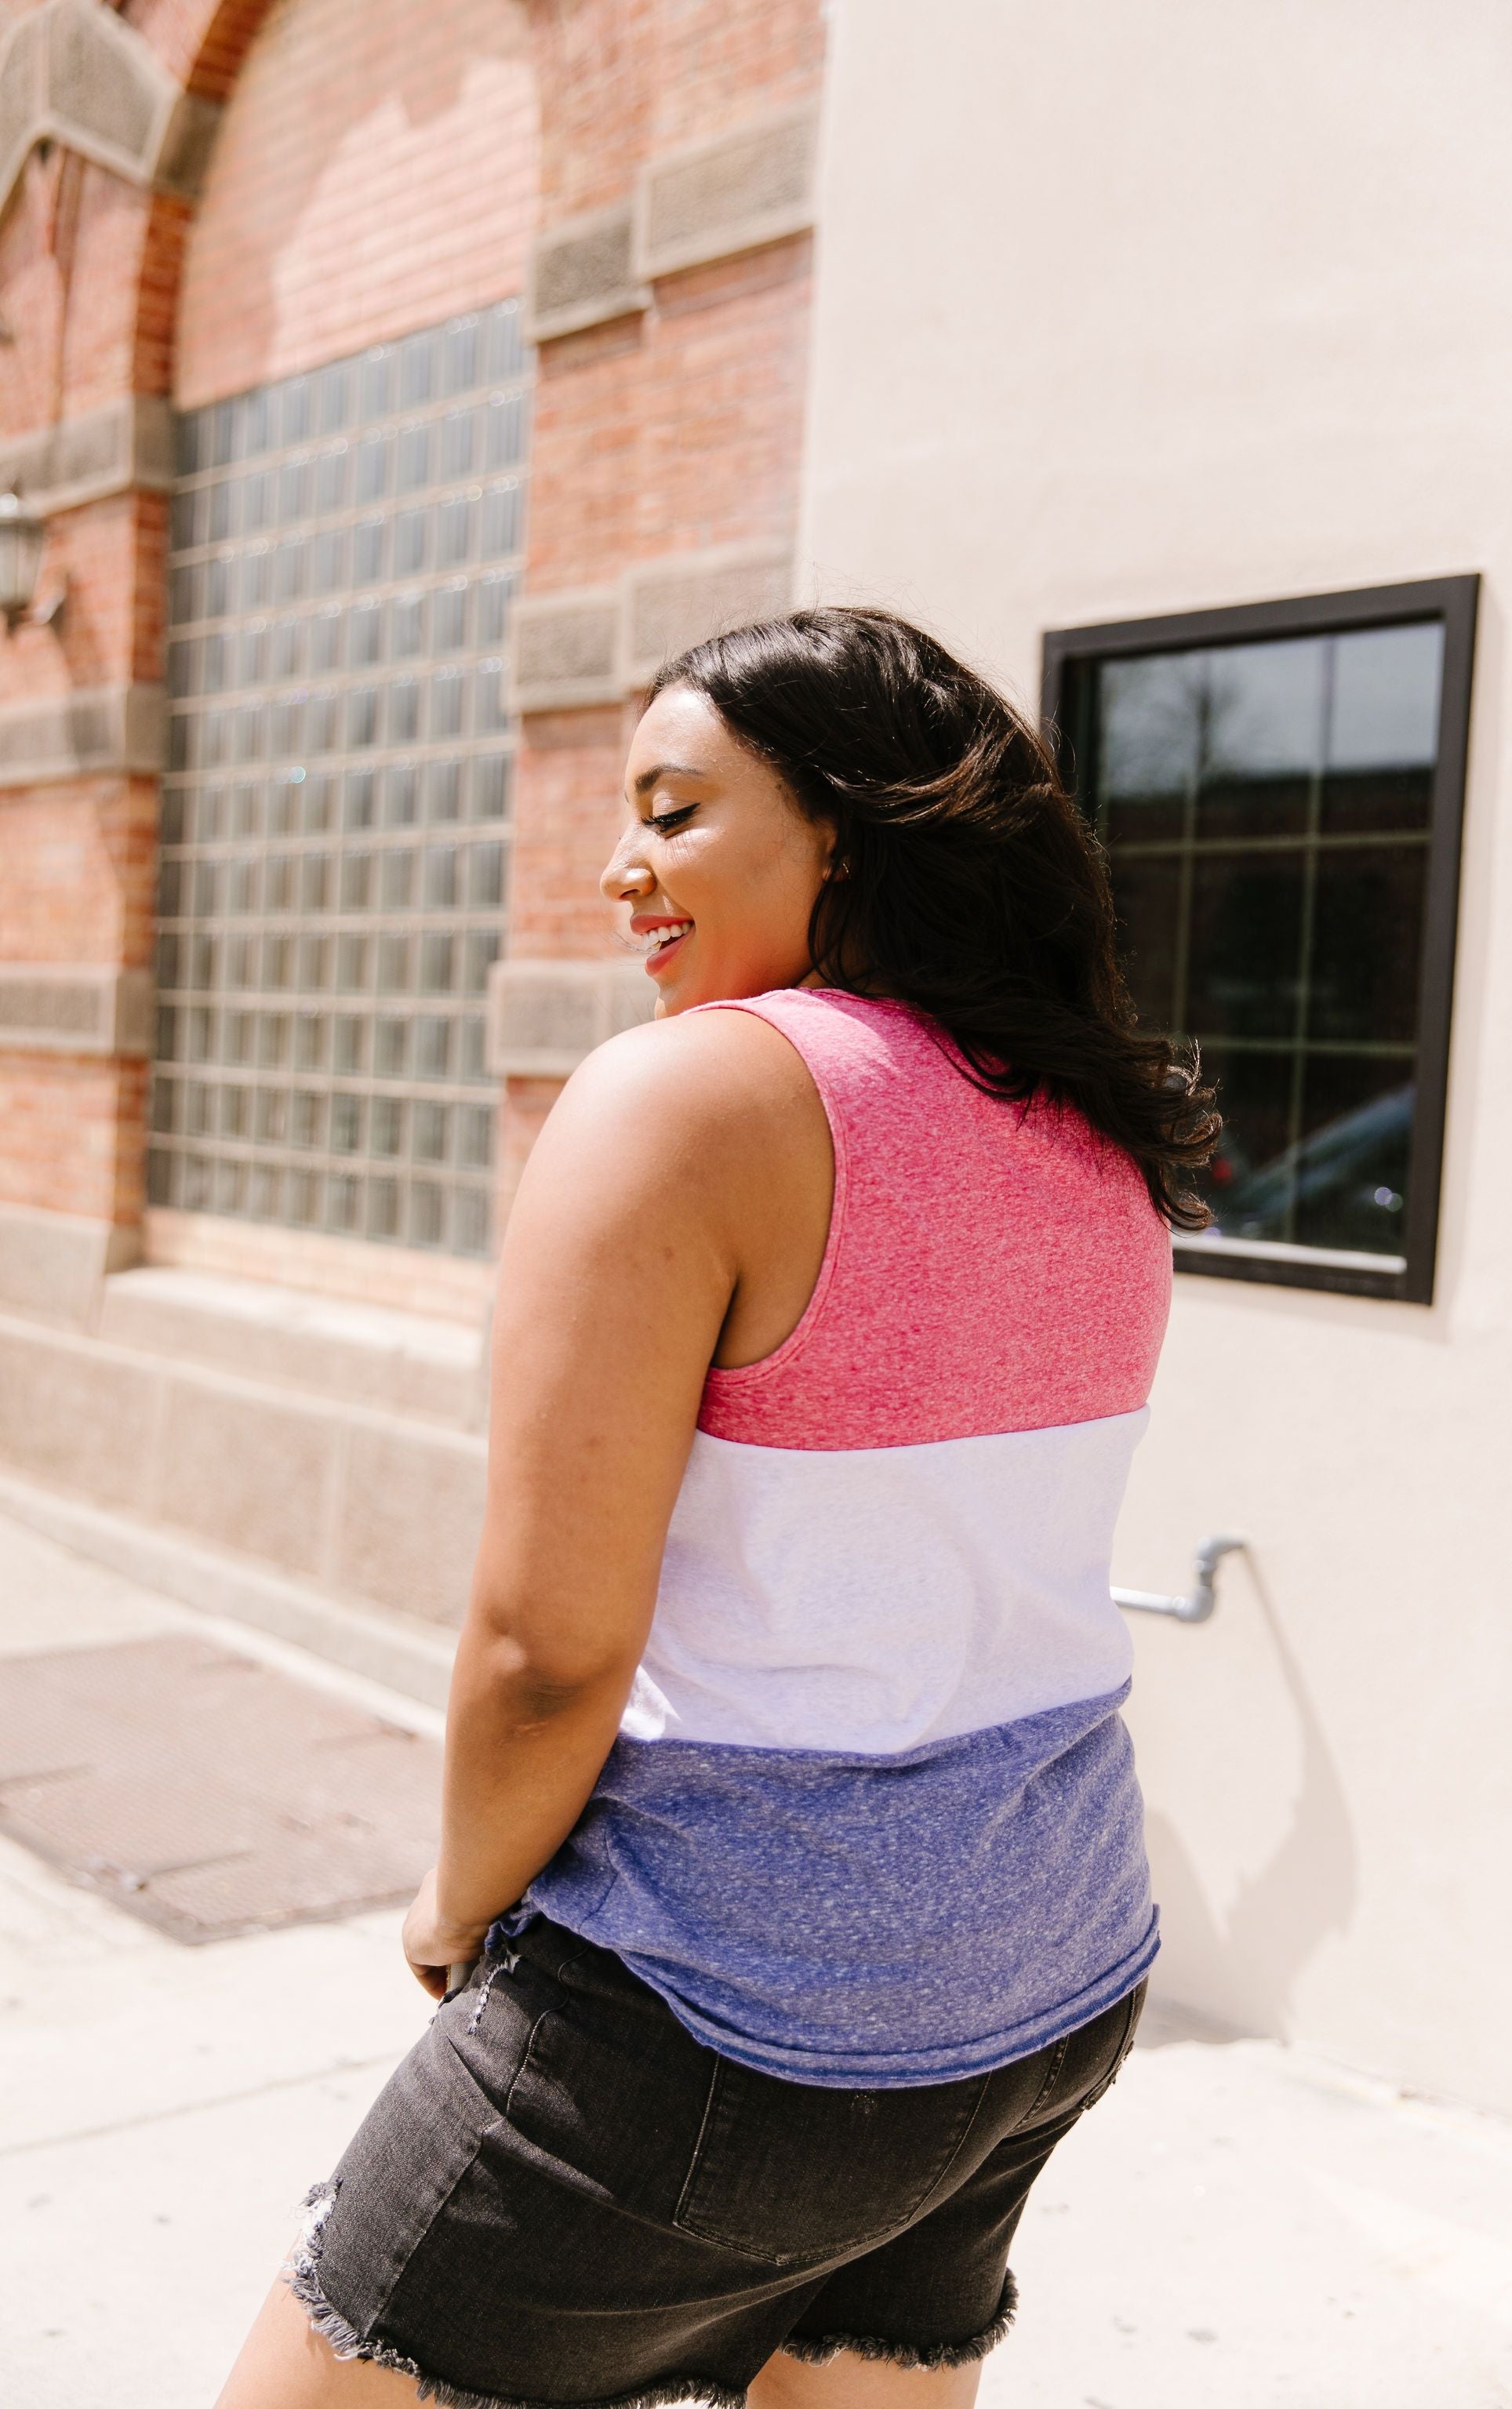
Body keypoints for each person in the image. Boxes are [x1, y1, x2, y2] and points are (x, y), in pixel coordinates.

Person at [217, 607, 1218, 2409]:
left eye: (675, 811)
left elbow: (545, 1648)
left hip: (728, 2009)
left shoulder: (698, 1094)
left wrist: (457, 1905)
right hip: (1046, 1977)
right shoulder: (1084, 1123)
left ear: (848, 828)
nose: (620, 867)